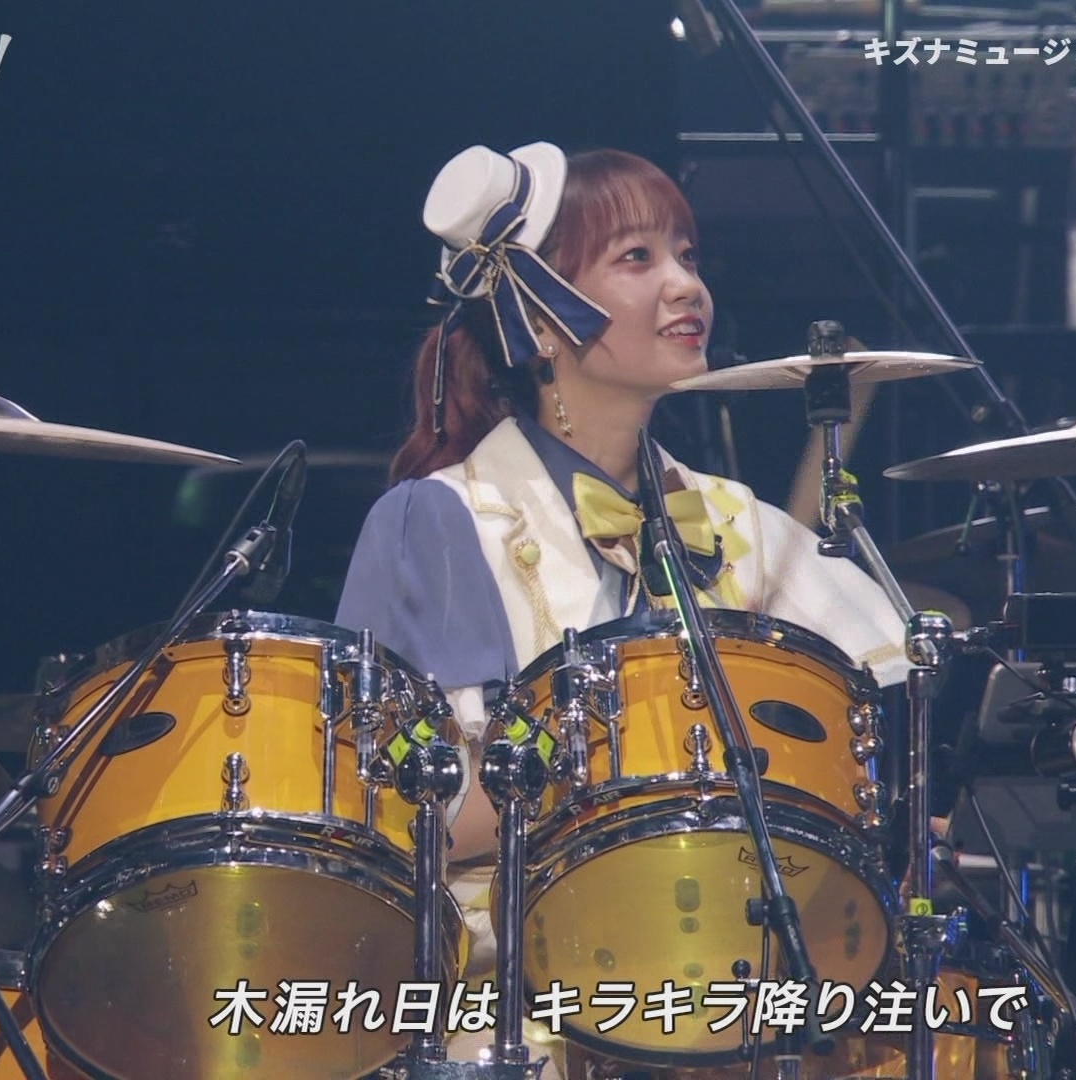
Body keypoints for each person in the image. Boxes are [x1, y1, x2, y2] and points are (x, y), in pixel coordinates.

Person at [334, 140, 914, 1066]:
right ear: (541, 318)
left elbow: (878, 714)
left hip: (734, 991)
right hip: (517, 1007)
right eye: (637, 258)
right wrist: (630, 765)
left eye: (688, 254)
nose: (687, 286)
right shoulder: (445, 521)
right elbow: (396, 812)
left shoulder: (735, 521)